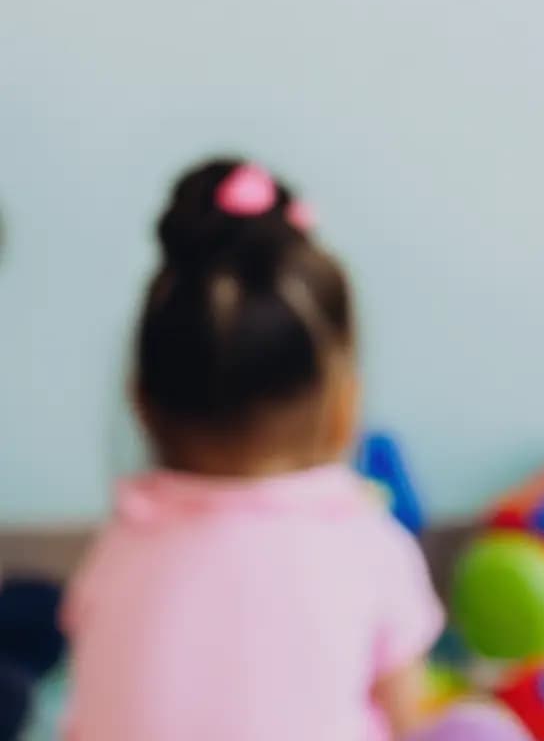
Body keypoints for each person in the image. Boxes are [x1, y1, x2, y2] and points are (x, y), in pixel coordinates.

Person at [61, 160, 448, 741]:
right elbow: (412, 723)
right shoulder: (369, 547)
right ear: (345, 409)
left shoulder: (118, 551)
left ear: (140, 403)